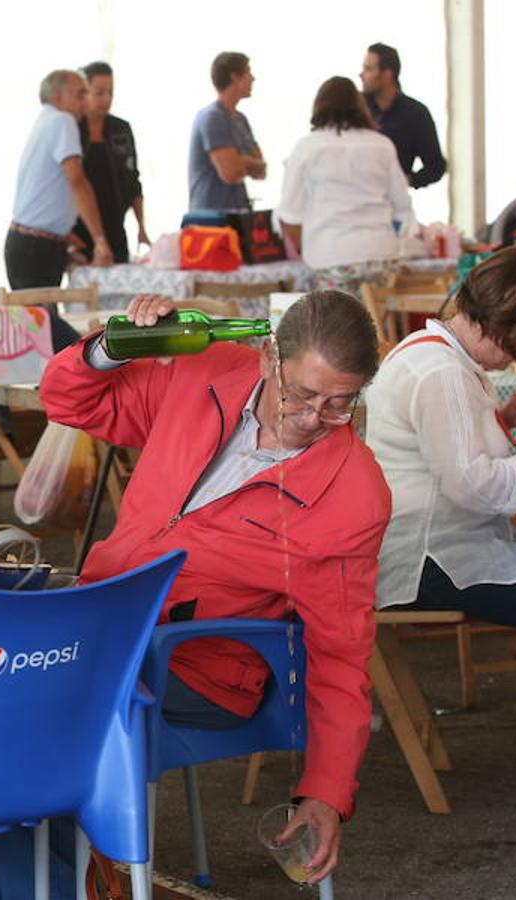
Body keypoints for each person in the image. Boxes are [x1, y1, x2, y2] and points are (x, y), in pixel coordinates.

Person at [40, 290, 390, 882]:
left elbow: (340, 655)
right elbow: (66, 399)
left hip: (198, 664)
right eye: (301, 395)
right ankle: (41, 873)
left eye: (339, 404)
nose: (311, 419)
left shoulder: (353, 492)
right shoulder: (205, 373)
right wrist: (117, 343)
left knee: (22, 693)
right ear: (267, 357)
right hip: (102, 626)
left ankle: (63, 876)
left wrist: (326, 792)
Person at [366, 246, 516, 786]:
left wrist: (501, 420)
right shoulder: (441, 372)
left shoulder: (436, 354)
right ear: (503, 326)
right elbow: (469, 485)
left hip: (430, 543)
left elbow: (451, 455)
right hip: (429, 556)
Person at [278, 76, 415, 293]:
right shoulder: (382, 145)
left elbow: (289, 214)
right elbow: (402, 205)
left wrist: (305, 246)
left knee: (339, 326)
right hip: (380, 253)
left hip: (331, 254)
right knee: (379, 325)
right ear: (360, 106)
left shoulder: (306, 148)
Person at [5, 69, 113, 289]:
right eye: (80, 94)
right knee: (39, 321)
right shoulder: (62, 120)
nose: (86, 101)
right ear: (56, 96)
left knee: (40, 321)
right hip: (35, 247)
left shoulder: (47, 121)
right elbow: (77, 181)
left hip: (32, 243)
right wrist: (100, 241)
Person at [71, 61, 148, 265]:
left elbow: (133, 180)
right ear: (83, 93)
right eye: (99, 93)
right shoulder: (70, 130)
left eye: (110, 92)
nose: (106, 99)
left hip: (115, 227)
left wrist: (141, 227)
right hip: (79, 231)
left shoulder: (120, 129)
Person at [360, 43, 447, 189]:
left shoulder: (415, 114)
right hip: (353, 199)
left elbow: (436, 166)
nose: (361, 75)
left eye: (368, 69)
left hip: (392, 204)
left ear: (387, 74)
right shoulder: (356, 108)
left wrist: (406, 181)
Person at [188, 52, 265, 213]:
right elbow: (230, 173)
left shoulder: (241, 120)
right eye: (248, 72)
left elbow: (262, 170)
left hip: (238, 214)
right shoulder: (212, 118)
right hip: (211, 220)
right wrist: (247, 163)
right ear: (234, 77)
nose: (253, 78)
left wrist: (241, 161)